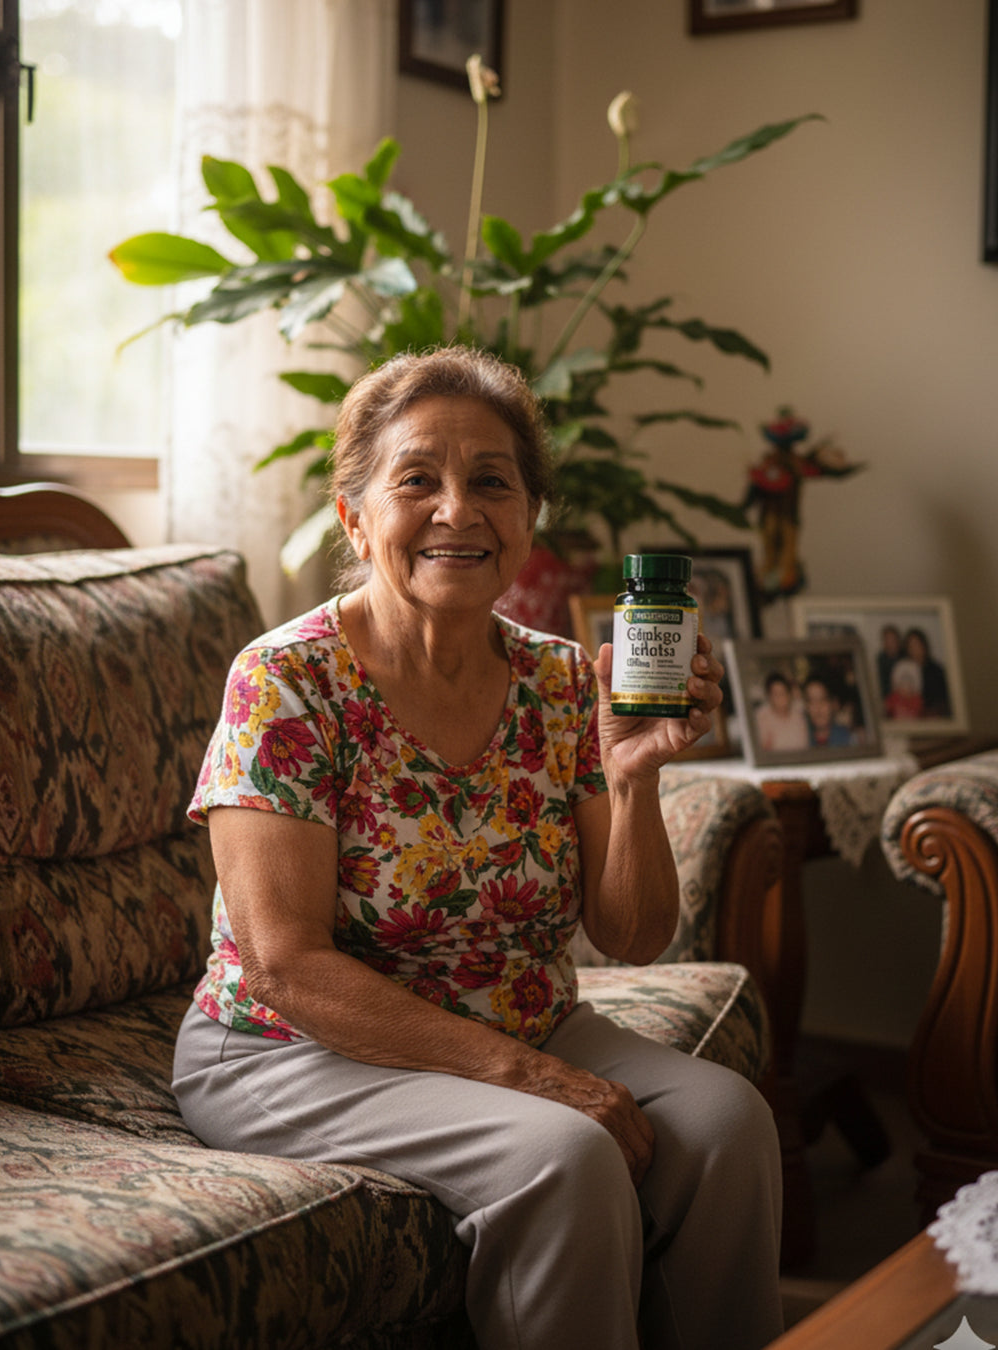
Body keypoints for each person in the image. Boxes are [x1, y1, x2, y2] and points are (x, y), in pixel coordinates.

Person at [171, 346, 783, 1350]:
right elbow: (286, 966)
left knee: (727, 1125)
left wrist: (634, 776)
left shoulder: (560, 681)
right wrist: (531, 1078)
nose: (457, 510)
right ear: (355, 518)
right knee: (567, 1155)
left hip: (518, 1018)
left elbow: (632, 938)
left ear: (528, 518)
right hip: (296, 1050)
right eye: (418, 479)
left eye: (492, 482)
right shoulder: (287, 682)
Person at [754, 669, 808, 752]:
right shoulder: (761, 717)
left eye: (783, 693)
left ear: (789, 694)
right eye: (776, 694)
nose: (781, 698)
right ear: (769, 696)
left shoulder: (798, 716)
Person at [802, 671, 854, 747]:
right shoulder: (802, 738)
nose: (818, 707)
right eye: (811, 701)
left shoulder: (848, 738)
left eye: (823, 699)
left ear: (833, 703)